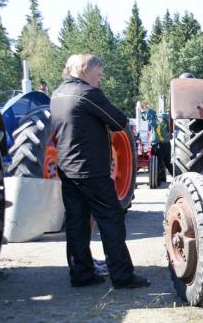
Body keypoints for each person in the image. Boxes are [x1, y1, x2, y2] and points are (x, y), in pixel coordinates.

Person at [51, 54, 150, 289]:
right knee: (111, 220)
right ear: (85, 70)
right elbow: (118, 121)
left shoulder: (56, 95)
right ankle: (122, 276)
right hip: (91, 170)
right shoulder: (86, 93)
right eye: (98, 75)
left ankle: (81, 273)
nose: (100, 80)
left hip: (67, 169)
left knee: (77, 223)